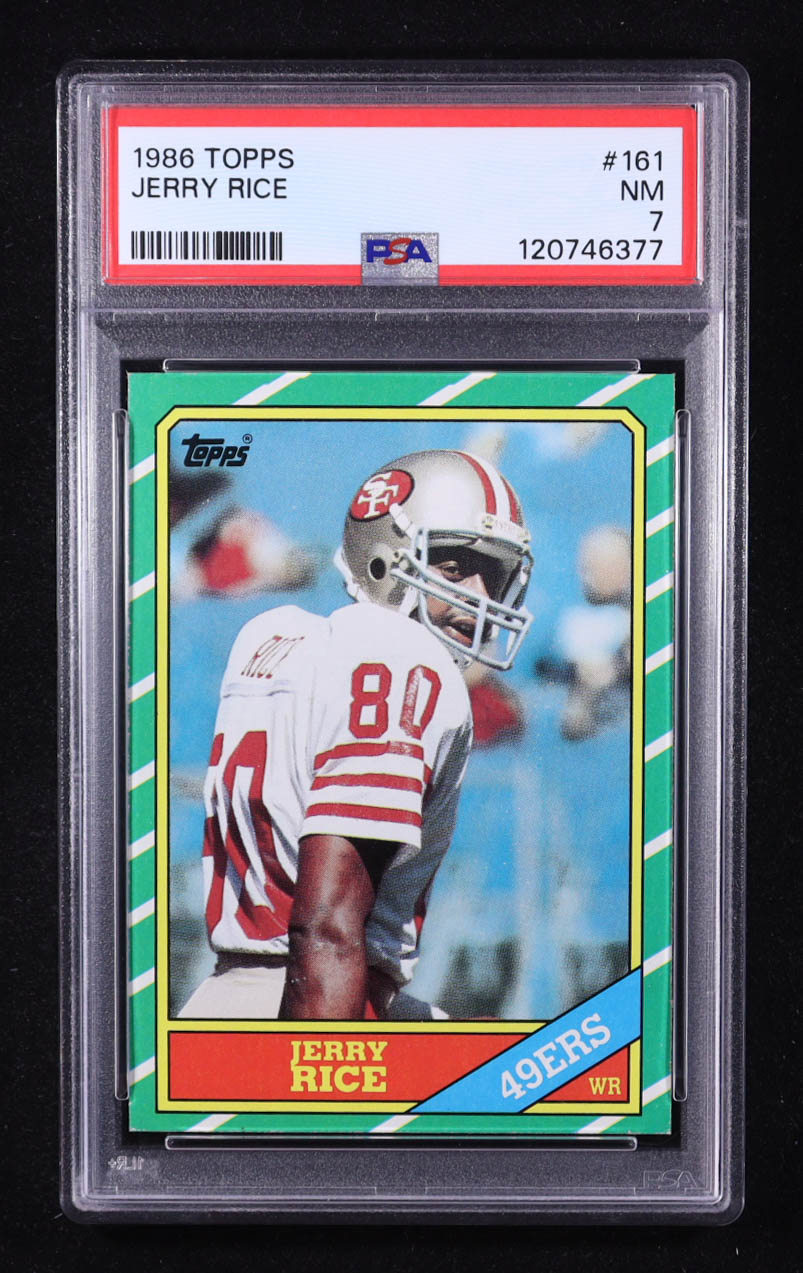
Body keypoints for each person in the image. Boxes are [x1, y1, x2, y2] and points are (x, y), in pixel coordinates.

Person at [178, 449, 533, 1021]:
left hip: (235, 996)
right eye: (453, 568)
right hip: (314, 1001)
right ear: (384, 560)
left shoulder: (274, 639)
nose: (481, 597)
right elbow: (328, 928)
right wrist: (323, 1069)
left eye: (494, 575)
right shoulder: (400, 660)